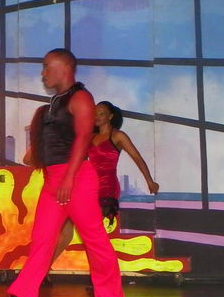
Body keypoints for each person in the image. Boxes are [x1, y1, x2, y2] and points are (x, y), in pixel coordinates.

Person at [0, 48, 125, 297]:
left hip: (76, 178)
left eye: (46, 67)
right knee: (42, 240)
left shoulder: (81, 97)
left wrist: (69, 177)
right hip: (54, 180)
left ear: (64, 68)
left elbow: (83, 138)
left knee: (95, 240)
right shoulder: (55, 102)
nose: (43, 73)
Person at [48, 100, 161, 263]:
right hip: (88, 187)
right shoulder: (89, 137)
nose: (97, 116)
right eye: (94, 113)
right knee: (66, 230)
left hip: (107, 188)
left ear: (110, 116)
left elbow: (137, 158)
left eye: (101, 113)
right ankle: (43, 269)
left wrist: (150, 181)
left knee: (91, 232)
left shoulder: (118, 136)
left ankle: (102, 271)